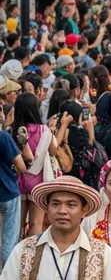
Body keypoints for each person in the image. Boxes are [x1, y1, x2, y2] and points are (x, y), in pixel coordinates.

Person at [13, 92, 60, 236]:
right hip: (37, 182)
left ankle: (16, 251)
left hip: (18, 181)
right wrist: (52, 130)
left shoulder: (14, 130)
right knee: (36, 223)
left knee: (17, 223)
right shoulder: (43, 130)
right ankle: (31, 255)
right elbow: (53, 151)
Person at [0, 123, 27, 265]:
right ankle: (6, 276)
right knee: (9, 239)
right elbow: (22, 167)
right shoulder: (3, 137)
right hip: (8, 191)